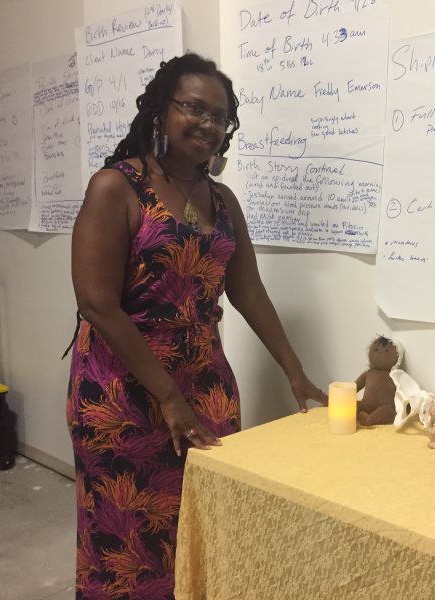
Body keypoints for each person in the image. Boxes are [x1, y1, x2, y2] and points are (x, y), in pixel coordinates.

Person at [65, 53, 327, 598]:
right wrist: (167, 397)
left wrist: (295, 373)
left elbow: (247, 290)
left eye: (221, 117)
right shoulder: (117, 188)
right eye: (195, 109)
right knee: (128, 540)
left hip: (204, 386)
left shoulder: (223, 200)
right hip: (124, 392)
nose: (209, 125)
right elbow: (96, 303)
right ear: (162, 110)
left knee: (203, 523)